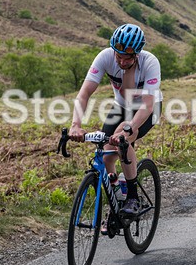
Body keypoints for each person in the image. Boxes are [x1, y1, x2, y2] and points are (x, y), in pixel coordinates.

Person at [69, 23, 162, 222]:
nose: (121, 61)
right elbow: (84, 94)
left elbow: (147, 105)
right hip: (121, 106)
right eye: (118, 56)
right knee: (106, 155)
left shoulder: (150, 63)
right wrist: (75, 124)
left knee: (121, 138)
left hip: (148, 108)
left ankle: (133, 198)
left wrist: (128, 129)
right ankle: (116, 201)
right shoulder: (105, 56)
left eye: (127, 58)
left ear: (137, 54)